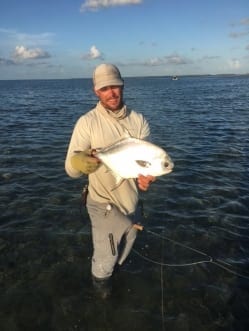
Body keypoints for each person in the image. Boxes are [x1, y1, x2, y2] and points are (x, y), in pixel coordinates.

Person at [65, 63, 155, 289]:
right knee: (105, 259)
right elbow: (71, 169)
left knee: (126, 247)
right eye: (105, 88)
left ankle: (115, 280)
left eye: (115, 86)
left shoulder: (139, 121)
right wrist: (79, 162)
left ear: (123, 86)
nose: (111, 93)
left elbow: (142, 163)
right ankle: (101, 295)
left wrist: (146, 177)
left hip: (131, 203)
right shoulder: (87, 122)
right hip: (101, 204)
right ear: (96, 91)